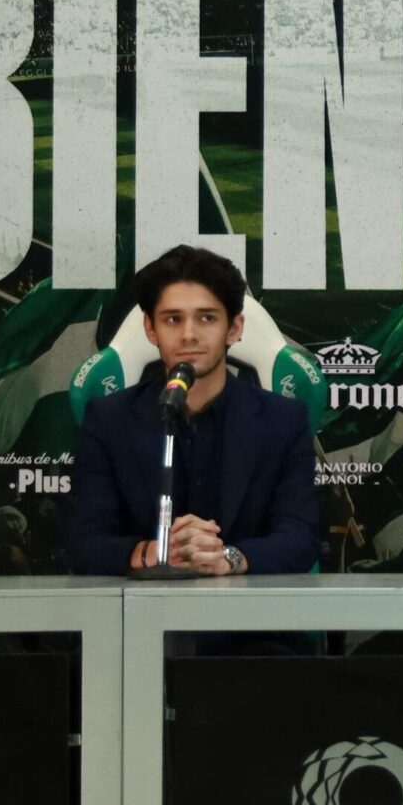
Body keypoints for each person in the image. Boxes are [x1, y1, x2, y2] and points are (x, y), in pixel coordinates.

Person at [66, 245, 321, 577]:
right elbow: (82, 543)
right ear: (150, 329)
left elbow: (302, 539)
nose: (189, 334)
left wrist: (225, 557)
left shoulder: (283, 421)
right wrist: (155, 551)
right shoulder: (108, 419)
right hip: (140, 618)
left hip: (252, 620)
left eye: (207, 318)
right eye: (173, 319)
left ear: (234, 328)